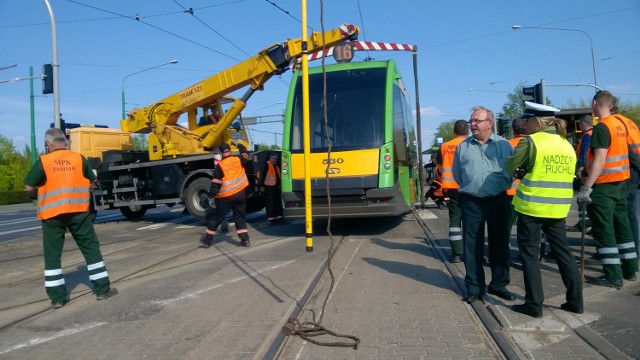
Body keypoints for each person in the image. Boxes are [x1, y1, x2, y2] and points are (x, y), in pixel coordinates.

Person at [24, 128, 118, 309]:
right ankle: (102, 290)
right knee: (91, 248)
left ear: (48, 144)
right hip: (78, 213)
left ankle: (58, 298)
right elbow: (92, 182)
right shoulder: (78, 158)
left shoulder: (43, 161)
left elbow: (29, 186)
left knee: (52, 255)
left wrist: (36, 194)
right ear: (65, 142)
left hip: (52, 216)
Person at [505, 102, 583, 318]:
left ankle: (534, 304)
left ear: (537, 122)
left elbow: (510, 167)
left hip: (532, 206)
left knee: (529, 255)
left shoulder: (531, 141)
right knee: (563, 253)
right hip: (558, 208)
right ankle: (576, 301)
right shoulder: (566, 144)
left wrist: (522, 170)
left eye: (527, 120)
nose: (525, 124)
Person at [452, 106, 515, 304]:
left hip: (498, 199)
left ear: (490, 123)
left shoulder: (504, 145)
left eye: (477, 121)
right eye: (471, 121)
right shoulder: (463, 147)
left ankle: (498, 284)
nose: (472, 124)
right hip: (471, 201)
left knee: (500, 244)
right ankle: (474, 287)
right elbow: (457, 174)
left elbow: (512, 171)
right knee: (472, 246)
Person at [578, 90, 638, 288]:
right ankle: (630, 269)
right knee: (623, 228)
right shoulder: (620, 124)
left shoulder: (602, 127)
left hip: (604, 185)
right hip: (621, 183)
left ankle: (613, 275)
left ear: (595, 103)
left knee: (604, 230)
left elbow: (601, 158)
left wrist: (586, 187)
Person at [200, 142, 251, 248]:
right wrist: (239, 145)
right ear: (230, 151)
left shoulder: (220, 166)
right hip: (240, 194)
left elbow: (216, 183)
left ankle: (207, 241)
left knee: (217, 217)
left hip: (226, 197)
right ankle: (244, 240)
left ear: (221, 153)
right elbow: (245, 153)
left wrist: (211, 195)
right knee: (239, 217)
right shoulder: (238, 159)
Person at [435, 119, 469, 263]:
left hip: (451, 188)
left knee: (455, 220)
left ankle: (456, 253)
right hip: (469, 187)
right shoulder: (470, 144)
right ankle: (471, 252)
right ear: (467, 132)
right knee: (471, 220)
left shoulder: (445, 146)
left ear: (454, 132)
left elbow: (439, 167)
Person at [568, 115, 593, 235]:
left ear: (583, 124)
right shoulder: (594, 133)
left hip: (586, 173)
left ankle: (585, 224)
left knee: (582, 199)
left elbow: (584, 152)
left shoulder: (587, 136)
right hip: (592, 171)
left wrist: (581, 169)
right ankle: (585, 223)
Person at [260, 152, 283, 224]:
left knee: (277, 202)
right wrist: (262, 186)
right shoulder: (267, 164)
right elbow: (262, 175)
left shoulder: (276, 166)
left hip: (276, 186)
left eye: (276, 159)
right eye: (273, 158)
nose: (275, 160)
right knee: (270, 203)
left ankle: (279, 217)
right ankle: (271, 218)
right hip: (269, 187)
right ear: (270, 158)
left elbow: (278, 176)